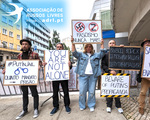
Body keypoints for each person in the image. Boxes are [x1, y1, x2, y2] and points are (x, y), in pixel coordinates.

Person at [2, 39, 41, 119]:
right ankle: (24, 109)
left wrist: (39, 65)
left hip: (31, 78)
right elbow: (15, 66)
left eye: (26, 44)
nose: (24, 45)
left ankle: (36, 109)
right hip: (22, 79)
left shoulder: (35, 54)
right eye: (23, 44)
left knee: (34, 93)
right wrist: (7, 70)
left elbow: (39, 63)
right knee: (24, 94)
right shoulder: (19, 55)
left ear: (29, 46)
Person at [71, 36, 106, 112]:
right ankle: (82, 105)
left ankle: (91, 105)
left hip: (93, 76)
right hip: (83, 76)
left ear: (92, 48)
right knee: (82, 92)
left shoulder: (96, 55)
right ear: (85, 47)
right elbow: (74, 53)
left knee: (91, 92)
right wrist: (72, 43)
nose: (88, 48)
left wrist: (102, 43)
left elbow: (102, 53)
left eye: (90, 46)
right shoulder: (81, 55)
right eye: (87, 46)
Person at [50, 42, 72, 116]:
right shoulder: (52, 56)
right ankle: (55, 106)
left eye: (60, 47)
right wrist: (45, 64)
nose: (59, 48)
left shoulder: (66, 56)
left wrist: (70, 64)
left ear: (63, 48)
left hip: (63, 77)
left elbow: (70, 67)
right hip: (55, 77)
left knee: (66, 92)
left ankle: (67, 105)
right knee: (55, 92)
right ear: (56, 48)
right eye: (58, 47)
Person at [101, 40, 123, 114]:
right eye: (110, 43)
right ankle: (109, 106)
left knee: (117, 91)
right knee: (109, 91)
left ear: (115, 44)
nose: (112, 44)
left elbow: (126, 59)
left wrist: (123, 50)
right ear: (108, 45)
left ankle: (118, 106)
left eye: (113, 43)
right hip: (109, 75)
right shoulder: (106, 55)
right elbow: (103, 65)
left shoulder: (120, 53)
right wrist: (109, 71)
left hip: (118, 75)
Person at [138, 38, 150, 115]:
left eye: (149, 43)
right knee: (143, 92)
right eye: (146, 43)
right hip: (145, 77)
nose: (148, 44)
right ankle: (141, 107)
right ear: (143, 45)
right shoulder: (142, 54)